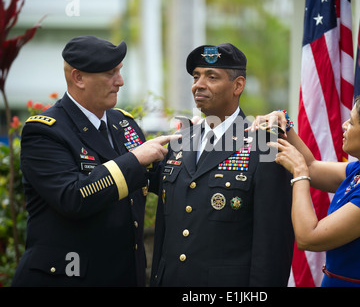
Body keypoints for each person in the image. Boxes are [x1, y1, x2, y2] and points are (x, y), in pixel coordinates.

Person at [12, 36, 178, 286]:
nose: (120, 82)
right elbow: (73, 197)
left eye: (119, 72)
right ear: (78, 78)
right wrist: (134, 160)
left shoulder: (123, 124)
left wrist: (201, 142)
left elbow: (162, 178)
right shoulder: (45, 132)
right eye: (110, 73)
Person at [148, 43, 294, 287]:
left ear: (238, 86)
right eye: (196, 76)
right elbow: (165, 232)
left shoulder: (264, 145)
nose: (198, 84)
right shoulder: (178, 142)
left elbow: (272, 246)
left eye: (211, 77)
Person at [250, 90, 360, 286]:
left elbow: (308, 238)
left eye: (352, 122)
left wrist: (299, 173)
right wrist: (284, 122)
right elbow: (312, 167)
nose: (344, 125)